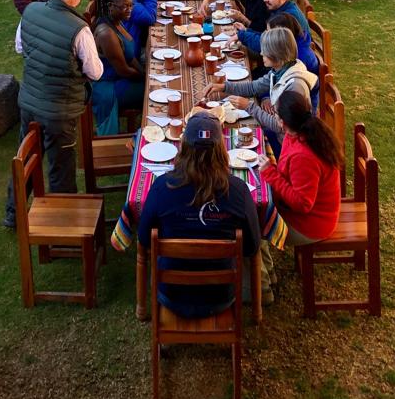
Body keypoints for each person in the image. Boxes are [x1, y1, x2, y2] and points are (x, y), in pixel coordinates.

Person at [3, 0, 102, 228]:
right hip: (60, 109)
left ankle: (13, 212)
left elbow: (20, 47)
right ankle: (63, 222)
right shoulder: (79, 29)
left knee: (24, 157)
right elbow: (95, 72)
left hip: (30, 100)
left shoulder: (31, 11)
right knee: (61, 166)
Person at [137, 112, 261, 318]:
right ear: (222, 150)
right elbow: (252, 246)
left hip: (171, 294)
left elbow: (143, 239)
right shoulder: (239, 191)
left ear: (183, 148)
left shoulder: (162, 187)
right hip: (222, 295)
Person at [257, 88, 342, 247]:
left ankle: (263, 271)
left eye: (275, 114)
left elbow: (302, 204)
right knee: (254, 212)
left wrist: (271, 174)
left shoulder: (303, 156)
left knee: (251, 226)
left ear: (282, 122)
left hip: (311, 225)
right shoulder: (301, 132)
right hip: (309, 214)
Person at [204, 27, 316, 140]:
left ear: (277, 53)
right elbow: (253, 87)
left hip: (285, 143)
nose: (261, 53)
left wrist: (249, 107)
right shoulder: (279, 71)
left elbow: (281, 126)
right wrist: (223, 87)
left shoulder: (295, 86)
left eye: (265, 51)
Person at [235, 0, 319, 73]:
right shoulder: (281, 9)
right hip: (283, 62)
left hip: (292, 69)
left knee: (240, 53)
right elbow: (268, 36)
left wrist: (243, 35)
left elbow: (269, 45)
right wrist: (246, 31)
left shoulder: (287, 17)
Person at [92, 0, 145, 134]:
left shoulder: (118, 21)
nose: (130, 10)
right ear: (110, 6)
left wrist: (144, 72)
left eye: (131, 5)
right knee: (152, 94)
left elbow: (130, 57)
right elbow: (124, 71)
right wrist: (145, 77)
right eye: (125, 7)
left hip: (121, 79)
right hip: (109, 88)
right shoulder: (106, 33)